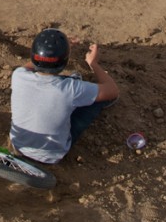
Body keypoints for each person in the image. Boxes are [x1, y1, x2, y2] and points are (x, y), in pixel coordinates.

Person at [9, 28, 119, 164]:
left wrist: (51, 53)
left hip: (19, 146)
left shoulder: (19, 76)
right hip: (52, 155)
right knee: (98, 98)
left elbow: (33, 65)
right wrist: (93, 63)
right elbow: (112, 90)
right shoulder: (71, 89)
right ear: (65, 60)